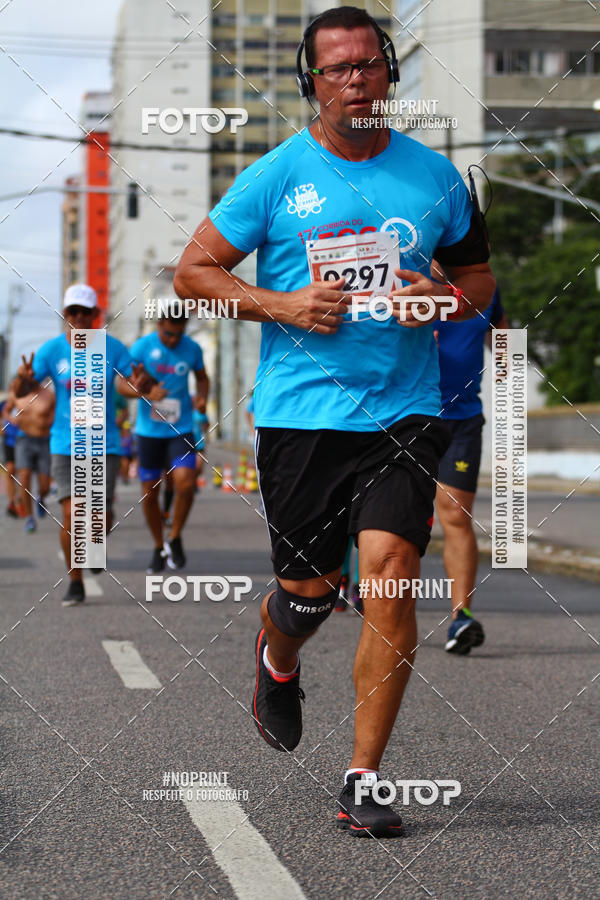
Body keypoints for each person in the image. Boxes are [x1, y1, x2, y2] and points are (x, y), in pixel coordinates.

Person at [174, 6, 495, 837]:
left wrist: (446, 300)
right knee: (307, 596)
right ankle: (278, 660)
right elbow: (193, 272)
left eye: (368, 65)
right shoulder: (278, 176)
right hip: (302, 417)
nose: (355, 81)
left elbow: (479, 280)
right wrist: (279, 301)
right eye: (337, 70)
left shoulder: (436, 179)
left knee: (388, 574)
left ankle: (364, 777)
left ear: (390, 71)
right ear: (311, 84)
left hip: (407, 411)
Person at [13, 284, 149, 606]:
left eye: (84, 312)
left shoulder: (113, 348)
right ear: (65, 315)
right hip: (65, 443)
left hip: (106, 445)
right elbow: (22, 388)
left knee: (98, 518)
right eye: (71, 312)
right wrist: (22, 378)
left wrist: (142, 385)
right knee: (73, 513)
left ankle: (96, 543)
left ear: (94, 316)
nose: (77, 318)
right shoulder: (51, 351)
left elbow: (132, 383)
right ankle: (75, 581)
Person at [433, 284, 507, 654]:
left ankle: (461, 616)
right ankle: (382, 602)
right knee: (397, 520)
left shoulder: (485, 288)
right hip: (401, 417)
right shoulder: (398, 277)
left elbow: (503, 338)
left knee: (456, 515)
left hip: (461, 420)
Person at [129, 307, 209, 574]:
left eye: (178, 333)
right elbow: (128, 380)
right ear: (159, 324)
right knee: (150, 491)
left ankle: (174, 536)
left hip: (180, 428)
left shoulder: (193, 349)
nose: (173, 339)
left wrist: (202, 398)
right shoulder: (141, 347)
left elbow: (202, 378)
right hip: (149, 432)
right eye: (168, 333)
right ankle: (157, 545)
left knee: (186, 484)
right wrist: (143, 388)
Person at [3, 378, 54, 533]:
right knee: (23, 477)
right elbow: (6, 410)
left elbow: (56, 415)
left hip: (44, 440)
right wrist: (11, 419)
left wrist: (47, 422)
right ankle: (29, 518)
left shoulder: (49, 395)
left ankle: (41, 497)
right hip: (23, 440)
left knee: (45, 485)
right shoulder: (16, 394)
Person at [0, 400, 20, 517]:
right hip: (9, 442)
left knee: (22, 474)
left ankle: (21, 501)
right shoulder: (5, 403)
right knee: (10, 472)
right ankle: (12, 503)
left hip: (25, 441)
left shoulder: (29, 401)